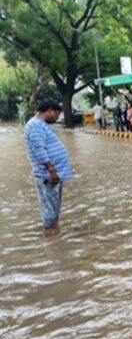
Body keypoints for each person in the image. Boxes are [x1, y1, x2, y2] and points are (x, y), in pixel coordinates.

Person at [23, 100, 73, 237]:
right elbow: (39, 149)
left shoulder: (40, 125)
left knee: (54, 209)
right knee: (50, 210)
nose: (57, 118)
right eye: (57, 115)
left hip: (53, 174)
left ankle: (55, 238)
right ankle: (51, 241)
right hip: (48, 175)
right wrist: (51, 170)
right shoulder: (35, 126)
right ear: (50, 111)